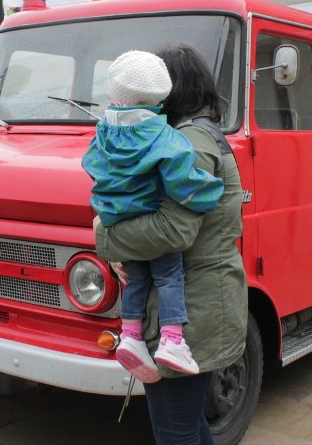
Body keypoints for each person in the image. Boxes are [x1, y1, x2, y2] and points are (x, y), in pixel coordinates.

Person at [94, 44, 247, 444]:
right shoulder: (190, 135)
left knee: (174, 431)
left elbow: (172, 230)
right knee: (189, 425)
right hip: (196, 303)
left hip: (190, 312)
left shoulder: (188, 143)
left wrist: (104, 234)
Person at [83, 51, 224, 382]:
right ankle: (172, 340)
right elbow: (182, 182)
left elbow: (91, 165)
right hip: (150, 216)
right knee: (169, 277)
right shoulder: (165, 137)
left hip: (117, 218)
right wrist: (209, 192)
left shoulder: (102, 131)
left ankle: (130, 334)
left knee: (136, 279)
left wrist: (106, 208)